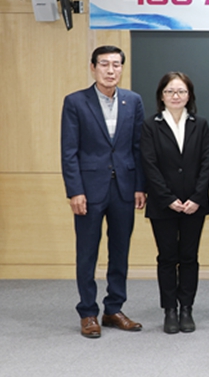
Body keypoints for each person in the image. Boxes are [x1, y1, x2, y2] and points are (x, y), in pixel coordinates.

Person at [60, 45, 146, 338]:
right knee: (87, 253)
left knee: (120, 251)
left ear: (122, 68)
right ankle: (88, 312)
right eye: (105, 64)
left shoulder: (133, 101)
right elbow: (69, 151)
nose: (111, 70)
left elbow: (138, 147)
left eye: (116, 64)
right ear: (93, 67)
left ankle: (113, 309)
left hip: (124, 188)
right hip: (89, 190)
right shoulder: (75, 102)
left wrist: (140, 186)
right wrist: (75, 190)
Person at [141, 72, 209, 334]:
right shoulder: (151, 125)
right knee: (167, 258)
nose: (176, 96)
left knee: (189, 257)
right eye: (170, 91)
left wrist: (197, 198)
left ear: (189, 95)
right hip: (163, 205)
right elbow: (149, 165)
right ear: (161, 95)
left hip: (195, 205)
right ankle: (170, 310)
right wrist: (168, 198)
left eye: (181, 91)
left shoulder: (200, 124)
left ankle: (186, 309)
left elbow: (207, 163)